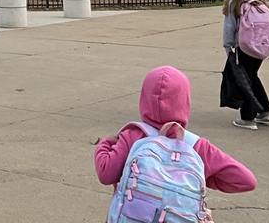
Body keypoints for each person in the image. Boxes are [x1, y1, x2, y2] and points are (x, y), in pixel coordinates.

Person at [95, 66, 257, 214]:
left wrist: (106, 143)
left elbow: (106, 174)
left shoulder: (132, 136)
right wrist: (202, 177)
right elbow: (246, 181)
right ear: (184, 101)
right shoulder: (196, 146)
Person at [221, 0, 269, 129]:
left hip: (242, 48)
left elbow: (229, 27)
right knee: (253, 77)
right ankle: (265, 110)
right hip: (259, 48)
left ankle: (248, 118)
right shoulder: (261, 4)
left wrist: (227, 46)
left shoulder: (235, 3)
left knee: (244, 82)